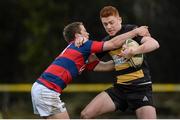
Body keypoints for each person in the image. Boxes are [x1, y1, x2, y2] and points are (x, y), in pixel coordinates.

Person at [31, 21, 148, 119]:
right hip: (47, 90)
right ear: (78, 36)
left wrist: (128, 57)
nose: (88, 33)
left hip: (40, 88)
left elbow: (105, 66)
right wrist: (135, 32)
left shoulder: (79, 54)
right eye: (84, 31)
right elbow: (112, 44)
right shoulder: (83, 45)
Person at [80, 6, 160, 119]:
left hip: (140, 88)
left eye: (111, 22)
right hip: (120, 89)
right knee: (85, 115)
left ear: (120, 20)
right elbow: (91, 61)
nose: (109, 27)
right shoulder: (107, 42)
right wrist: (80, 43)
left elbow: (154, 43)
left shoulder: (131, 30)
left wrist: (133, 51)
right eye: (105, 24)